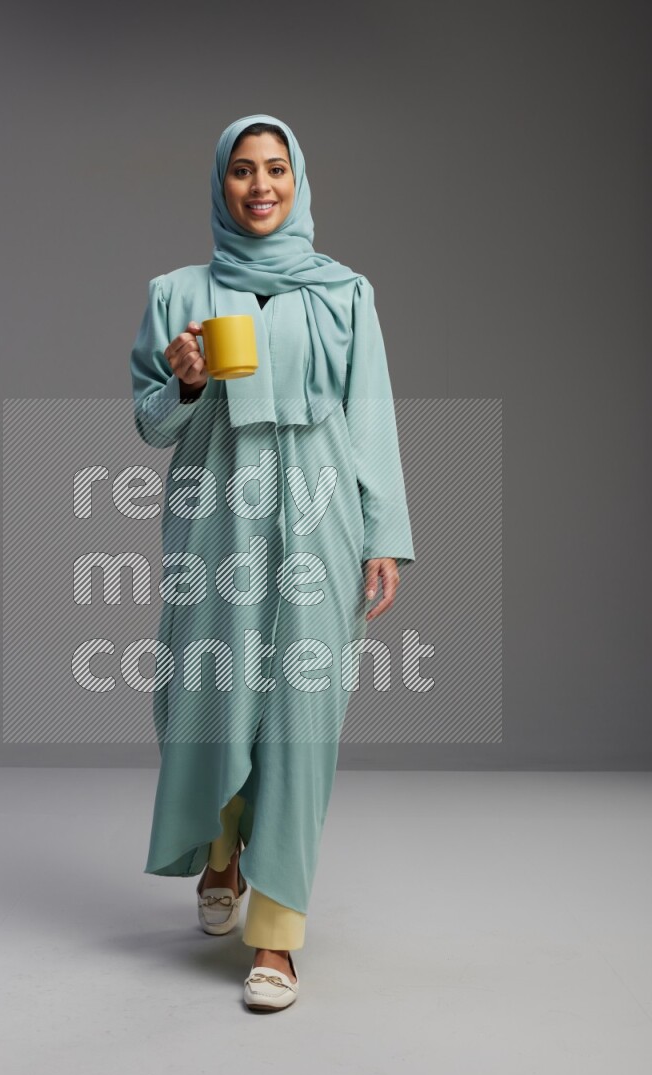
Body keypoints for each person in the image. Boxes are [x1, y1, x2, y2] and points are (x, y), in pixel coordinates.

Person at [130, 113, 414, 1012]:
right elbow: (148, 421)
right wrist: (182, 380)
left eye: (276, 170)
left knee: (302, 716)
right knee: (208, 698)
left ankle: (278, 936)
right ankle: (221, 853)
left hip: (319, 516)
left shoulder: (346, 294)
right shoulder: (177, 292)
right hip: (215, 513)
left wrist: (383, 535)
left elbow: (371, 416)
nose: (260, 187)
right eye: (244, 172)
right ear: (221, 185)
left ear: (299, 182)